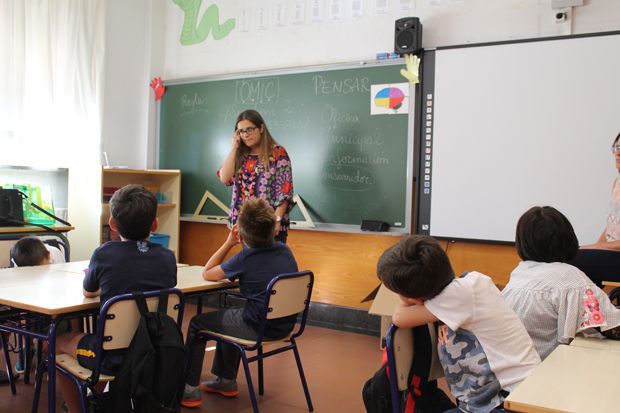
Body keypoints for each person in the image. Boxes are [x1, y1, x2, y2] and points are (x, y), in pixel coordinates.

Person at [377, 235, 540, 413]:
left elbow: (399, 317)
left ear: (414, 297)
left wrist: (406, 299)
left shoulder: (456, 297)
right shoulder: (473, 281)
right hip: (521, 391)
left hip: (507, 401)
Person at [55, 184, 177, 413]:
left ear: (111, 224)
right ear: (155, 224)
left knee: (58, 342)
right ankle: (94, 402)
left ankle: (77, 409)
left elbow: (88, 292)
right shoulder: (167, 257)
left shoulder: (103, 253)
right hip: (155, 350)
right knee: (99, 340)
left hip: (114, 358)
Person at [181, 198, 298, 408]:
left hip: (258, 327)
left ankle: (189, 390)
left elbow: (207, 273)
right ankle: (226, 380)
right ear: (273, 230)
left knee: (197, 323)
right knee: (230, 314)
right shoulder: (285, 250)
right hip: (285, 325)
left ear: (241, 236)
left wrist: (229, 243)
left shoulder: (246, 257)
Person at [502, 206, 620, 360]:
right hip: (549, 366)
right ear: (568, 238)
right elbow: (613, 328)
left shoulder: (520, 272)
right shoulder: (571, 278)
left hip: (516, 364)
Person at [218, 109, 294, 243]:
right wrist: (234, 148)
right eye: (241, 131)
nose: (245, 135)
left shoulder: (278, 153)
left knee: (272, 257)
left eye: (249, 129)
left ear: (261, 128)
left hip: (269, 226)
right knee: (250, 258)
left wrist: (277, 220)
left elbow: (284, 190)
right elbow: (224, 178)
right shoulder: (239, 155)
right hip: (245, 228)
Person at [568, 131, 620, 286]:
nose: (618, 153)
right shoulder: (617, 182)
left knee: (574, 260)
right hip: (612, 252)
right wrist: (593, 248)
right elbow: (611, 228)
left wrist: (596, 247)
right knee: (577, 258)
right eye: (617, 147)